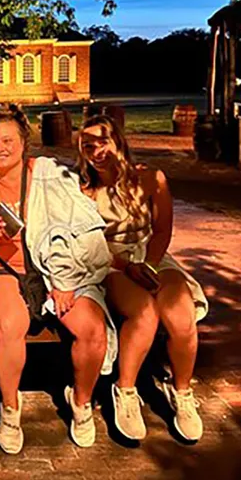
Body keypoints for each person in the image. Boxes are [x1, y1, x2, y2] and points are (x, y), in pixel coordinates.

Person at [0, 106, 116, 452]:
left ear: (23, 142)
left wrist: (63, 279)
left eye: (7, 140)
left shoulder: (49, 176)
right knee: (8, 323)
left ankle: (81, 402)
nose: (0, 148)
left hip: (55, 268)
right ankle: (10, 409)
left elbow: (81, 228)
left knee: (91, 329)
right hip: (4, 267)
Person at [77, 114, 209, 442]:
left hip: (150, 254)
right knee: (145, 312)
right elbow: (85, 242)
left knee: (181, 314)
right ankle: (125, 391)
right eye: (88, 145)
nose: (97, 151)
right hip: (109, 261)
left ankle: (183, 393)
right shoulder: (82, 190)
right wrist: (126, 266)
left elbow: (162, 230)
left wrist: (149, 264)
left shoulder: (151, 179)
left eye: (102, 141)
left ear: (118, 141)